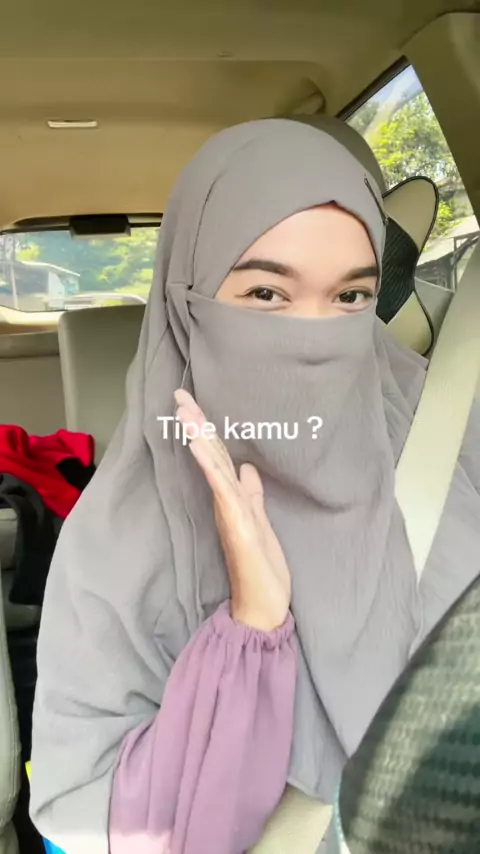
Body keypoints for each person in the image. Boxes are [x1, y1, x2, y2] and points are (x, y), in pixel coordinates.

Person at [29, 118, 480, 854]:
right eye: (267, 292)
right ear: (187, 300)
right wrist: (251, 630)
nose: (314, 337)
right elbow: (97, 818)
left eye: (350, 296)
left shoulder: (446, 434)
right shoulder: (119, 544)